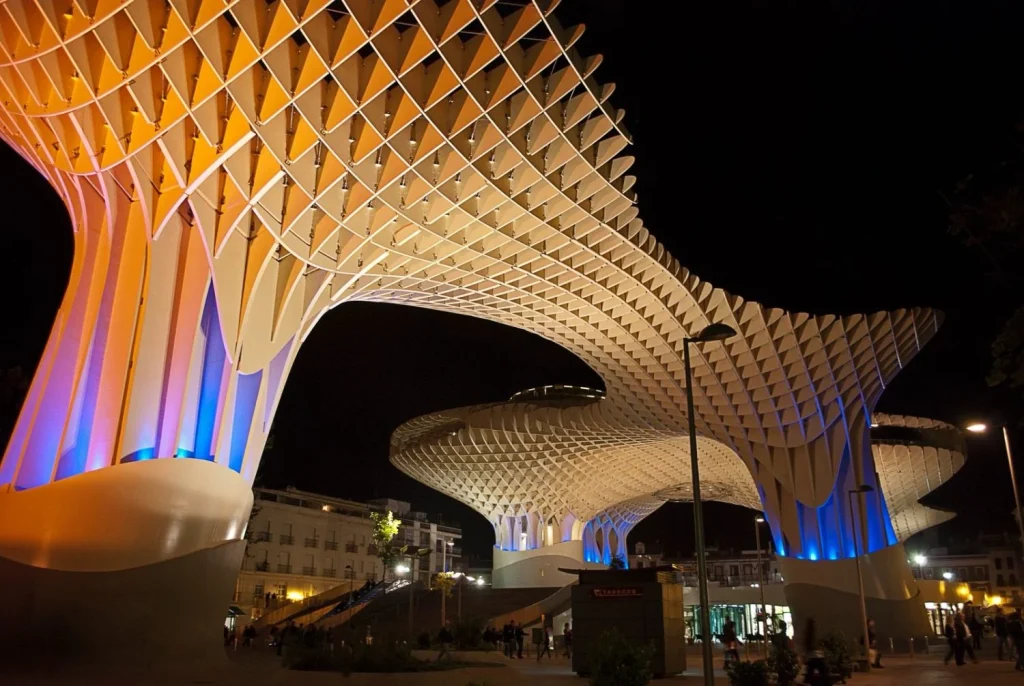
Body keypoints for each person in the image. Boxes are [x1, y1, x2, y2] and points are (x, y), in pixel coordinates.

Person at [803, 618, 828, 686]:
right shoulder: (810, 633)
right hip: (815, 656)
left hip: (813, 656)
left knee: (811, 673)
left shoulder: (808, 632)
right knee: (823, 672)